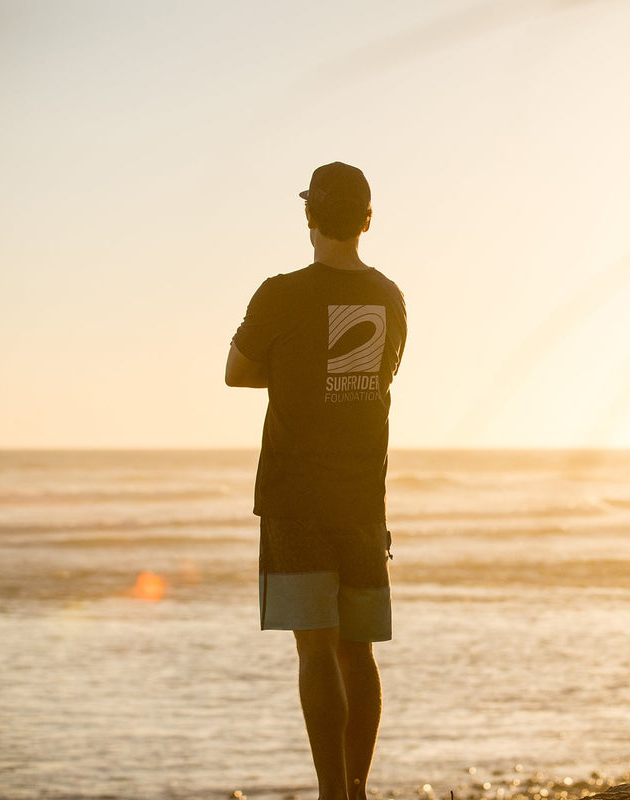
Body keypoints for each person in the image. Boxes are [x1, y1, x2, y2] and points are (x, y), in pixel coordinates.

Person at [226, 162, 407, 800]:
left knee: (316, 649)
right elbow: (376, 382)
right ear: (366, 219)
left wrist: (297, 371)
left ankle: (332, 791)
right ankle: (356, 790)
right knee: (357, 650)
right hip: (362, 494)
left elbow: (237, 372)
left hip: (295, 493)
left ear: (309, 217)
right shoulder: (388, 297)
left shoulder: (280, 293)